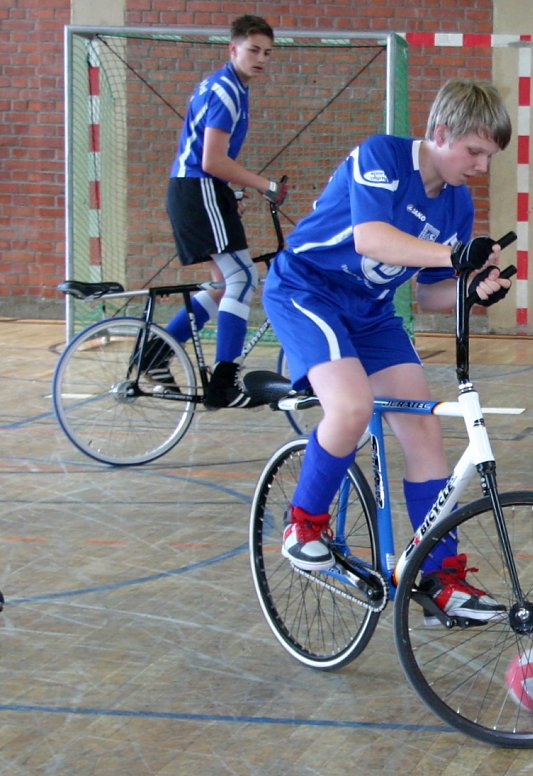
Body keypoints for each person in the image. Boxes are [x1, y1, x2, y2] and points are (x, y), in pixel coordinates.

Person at [262, 78, 513, 624]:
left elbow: (427, 294)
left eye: (488, 157)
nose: (480, 167)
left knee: (424, 430)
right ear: (441, 132)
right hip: (307, 290)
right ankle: (303, 524)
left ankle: (440, 577)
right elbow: (371, 238)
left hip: (373, 313)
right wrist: (455, 254)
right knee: (350, 407)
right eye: (474, 152)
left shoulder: (458, 204)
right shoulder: (381, 155)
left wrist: (473, 288)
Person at [145, 14, 286, 408]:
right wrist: (265, 186)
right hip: (198, 187)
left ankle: (154, 354)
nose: (261, 58)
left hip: (201, 190)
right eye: (253, 49)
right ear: (233, 48)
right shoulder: (226, 90)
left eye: (267, 53)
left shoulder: (229, 87)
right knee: (242, 277)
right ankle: (224, 382)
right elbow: (211, 160)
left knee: (225, 284)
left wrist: (234, 193)